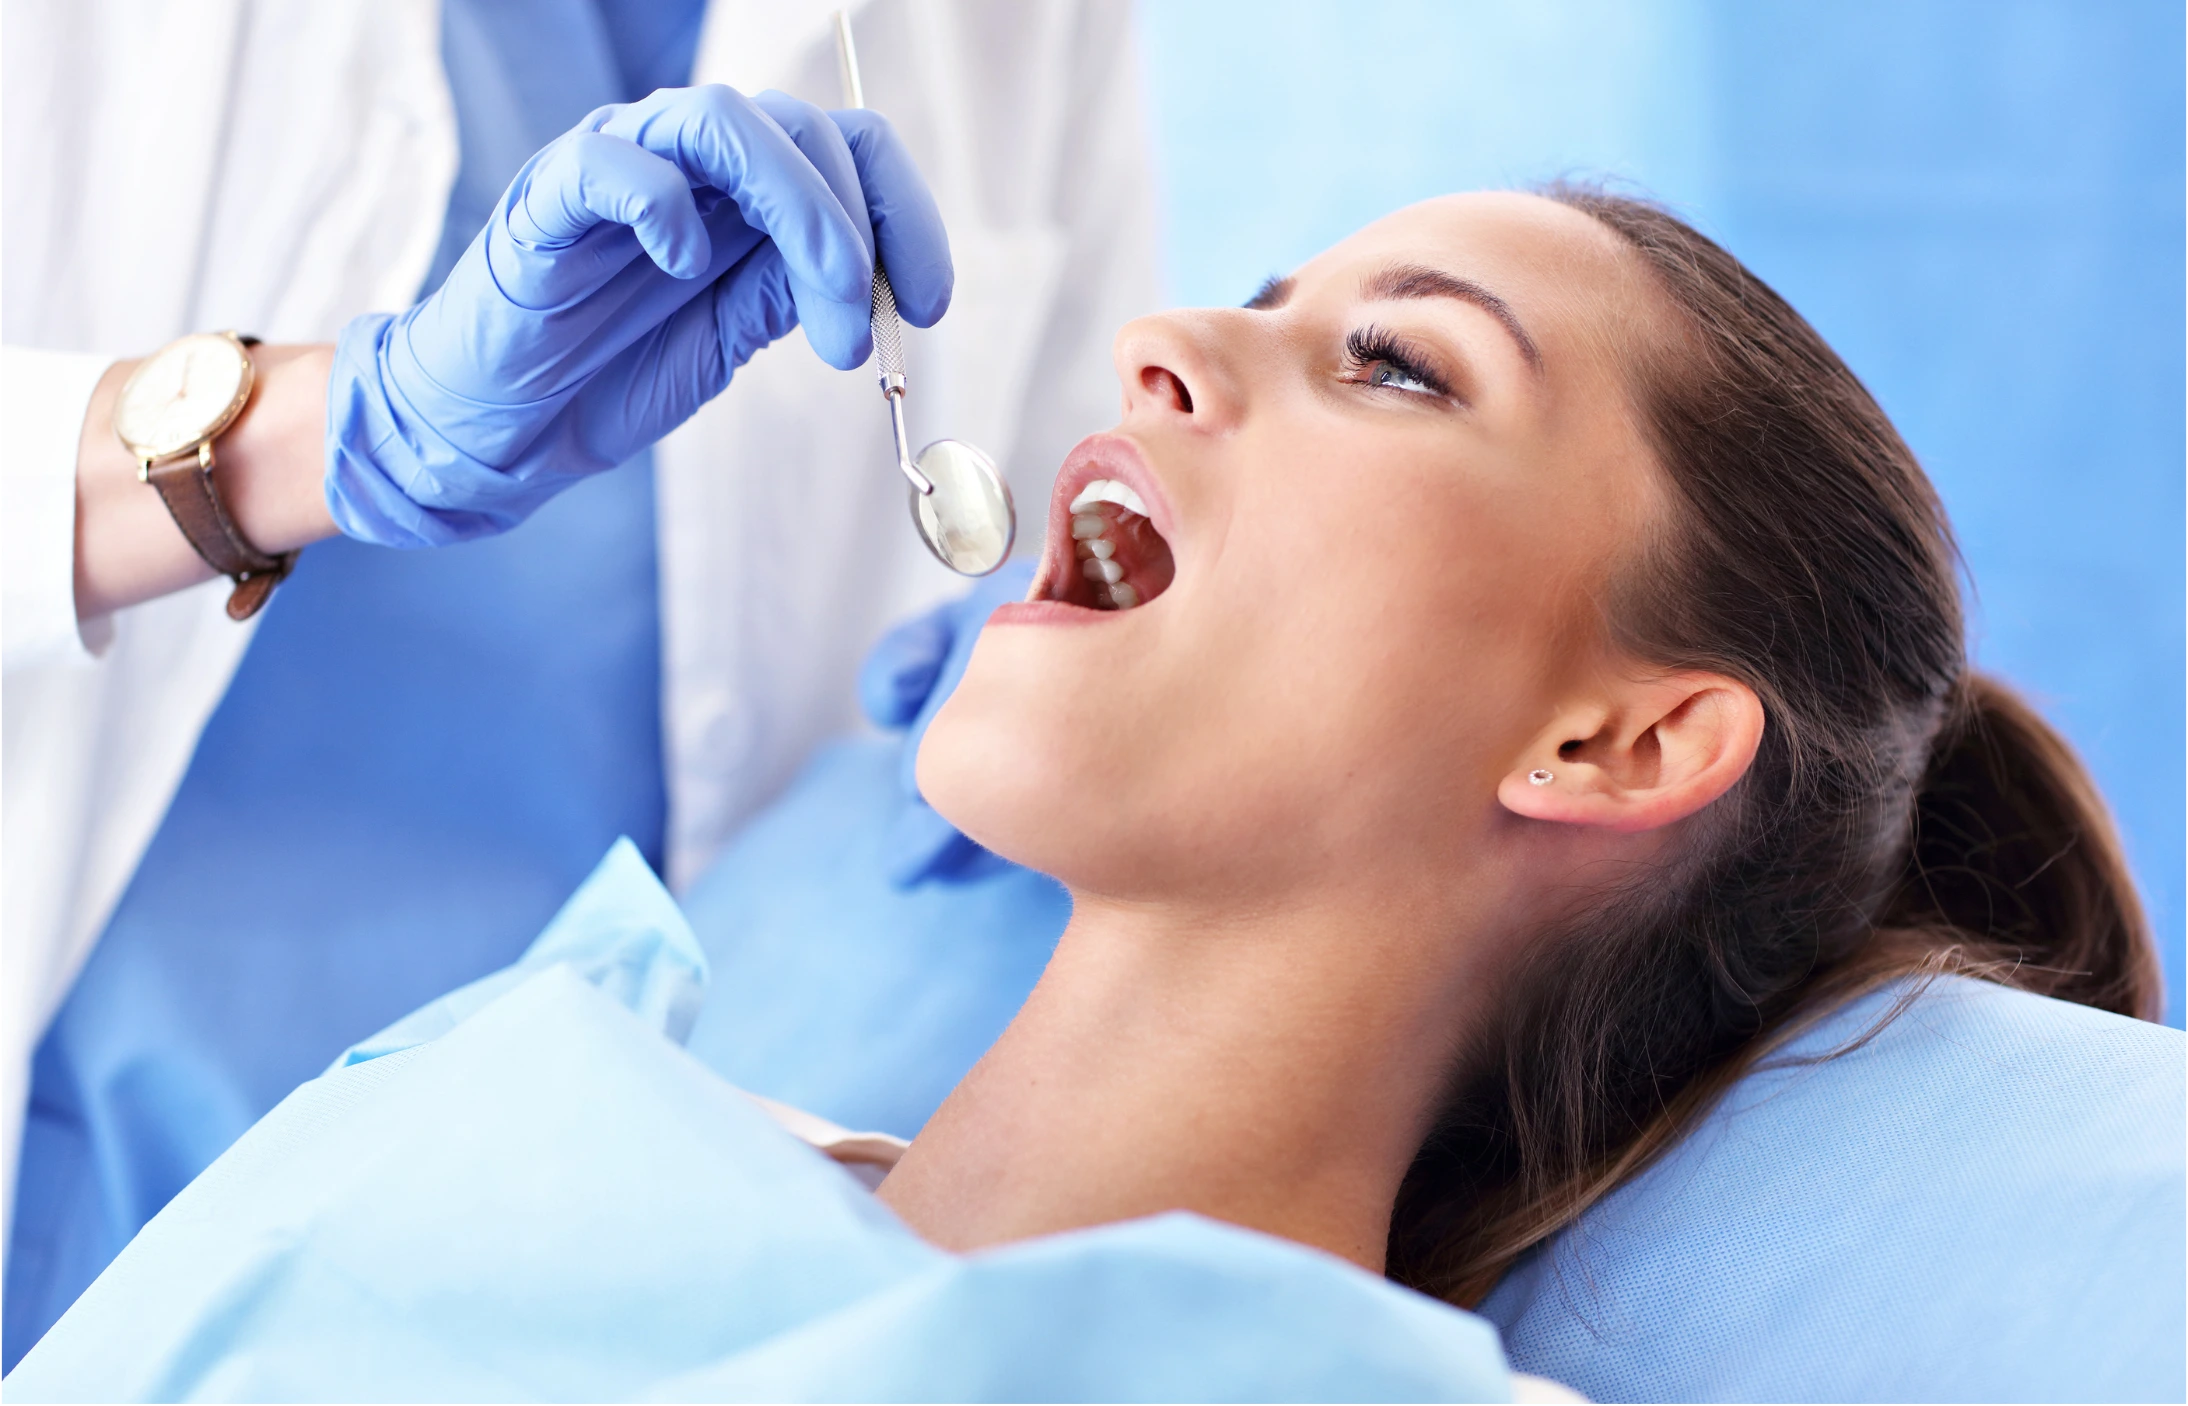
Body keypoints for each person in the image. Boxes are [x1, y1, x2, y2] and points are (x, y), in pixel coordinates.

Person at [10, 185, 2175, 1401]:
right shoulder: (541, 1073)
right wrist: (266, 447)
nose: (1152, 342)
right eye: (1253, 300)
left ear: (1613, 742)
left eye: (1395, 365)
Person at [1, 0, 1157, 1362]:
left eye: (1388, 367)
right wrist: (315, 437)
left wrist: (1033, 631)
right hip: (86, 1220)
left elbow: (1071, 489)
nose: (1188, 358)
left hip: (586, 1296)